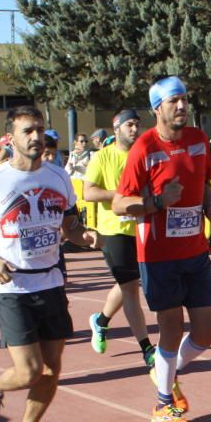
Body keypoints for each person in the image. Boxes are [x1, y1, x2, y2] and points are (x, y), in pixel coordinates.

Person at [0, 106, 102, 422]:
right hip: (12, 286)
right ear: (12, 138)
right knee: (29, 370)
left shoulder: (58, 177)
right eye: (27, 132)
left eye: (40, 130)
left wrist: (87, 237)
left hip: (50, 282)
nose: (36, 137)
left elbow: (70, 227)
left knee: (52, 368)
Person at [112, 76, 211, 422]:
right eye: (174, 101)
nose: (182, 106)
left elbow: (205, 180)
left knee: (209, 331)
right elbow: (119, 203)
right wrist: (158, 202)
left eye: (184, 99)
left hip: (195, 249)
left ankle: (165, 370)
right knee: (171, 328)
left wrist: (210, 208)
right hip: (158, 254)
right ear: (157, 108)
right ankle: (164, 402)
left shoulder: (197, 140)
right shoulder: (143, 149)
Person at [82, 109, 157, 371]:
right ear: (116, 129)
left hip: (141, 227)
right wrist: (121, 195)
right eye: (129, 125)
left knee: (129, 284)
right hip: (114, 229)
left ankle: (101, 321)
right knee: (131, 289)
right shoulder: (103, 157)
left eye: (137, 124)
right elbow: (88, 192)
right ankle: (147, 348)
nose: (135, 129)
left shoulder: (144, 156)